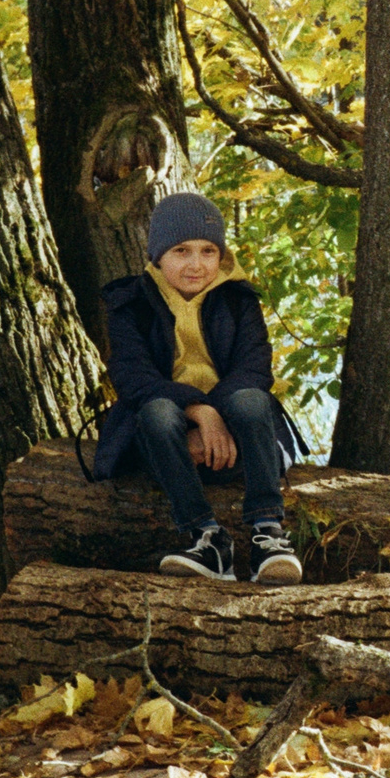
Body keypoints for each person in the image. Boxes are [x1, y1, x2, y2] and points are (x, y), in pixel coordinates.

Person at [88, 193, 308, 584]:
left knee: (253, 400)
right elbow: (134, 378)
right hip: (166, 443)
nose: (196, 264)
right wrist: (200, 414)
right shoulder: (129, 303)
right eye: (181, 250)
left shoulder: (240, 299)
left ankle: (267, 531)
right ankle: (206, 536)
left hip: (236, 443)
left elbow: (254, 369)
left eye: (209, 251)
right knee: (156, 411)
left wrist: (220, 420)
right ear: (158, 255)